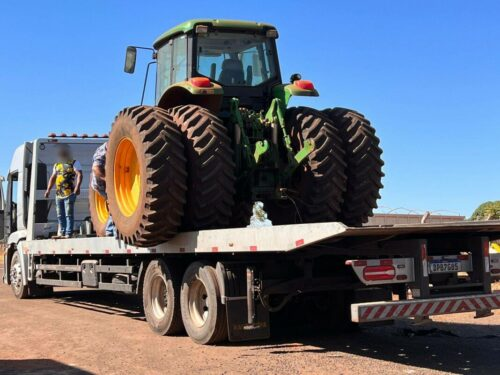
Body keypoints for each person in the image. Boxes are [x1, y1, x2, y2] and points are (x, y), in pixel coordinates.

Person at [45, 144, 83, 238]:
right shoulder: (57, 165)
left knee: (68, 214)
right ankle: (62, 231)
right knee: (59, 214)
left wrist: (77, 187)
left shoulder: (74, 163)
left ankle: (68, 233)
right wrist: (48, 190)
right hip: (58, 194)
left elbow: (79, 174)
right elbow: (53, 178)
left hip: (69, 193)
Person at [91, 142, 115, 236]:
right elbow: (96, 168)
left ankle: (110, 229)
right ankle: (110, 230)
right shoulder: (101, 151)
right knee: (114, 202)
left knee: (113, 202)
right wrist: (107, 180)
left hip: (110, 182)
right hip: (100, 184)